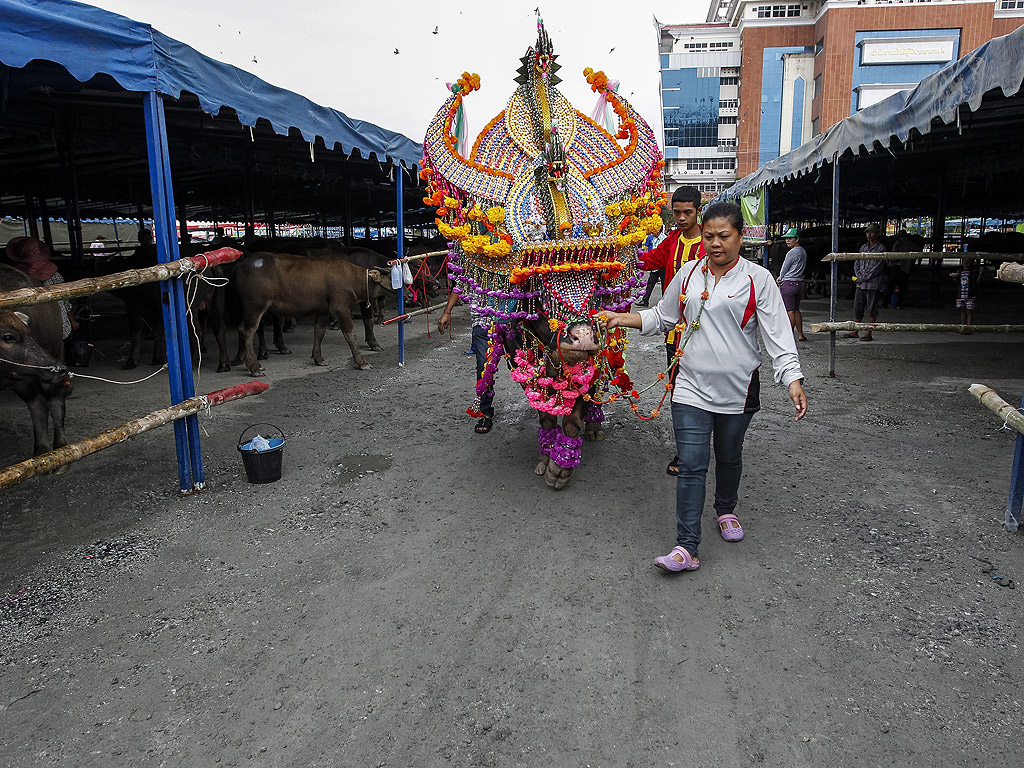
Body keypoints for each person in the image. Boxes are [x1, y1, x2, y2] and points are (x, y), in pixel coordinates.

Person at [602, 202, 807, 573]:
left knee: (728, 456)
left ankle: (726, 509)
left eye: (723, 236)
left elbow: (778, 336)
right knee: (692, 465)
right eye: (709, 236)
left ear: (741, 237)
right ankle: (686, 547)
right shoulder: (688, 274)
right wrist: (621, 317)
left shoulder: (758, 280)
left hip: (738, 389)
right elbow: (662, 317)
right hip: (690, 387)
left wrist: (791, 378)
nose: (715, 243)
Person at [635, 185, 705, 476]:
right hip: (674, 334)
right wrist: (621, 253)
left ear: (698, 211)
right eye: (676, 213)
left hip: (706, 335)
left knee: (704, 392)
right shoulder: (672, 241)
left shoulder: (711, 242)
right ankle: (686, 450)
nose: (681, 218)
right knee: (679, 392)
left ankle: (702, 444)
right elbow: (648, 261)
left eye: (687, 212)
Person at [439, 290, 496, 434]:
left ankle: (541, 407)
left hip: (510, 320)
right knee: (483, 368)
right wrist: (447, 312)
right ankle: (485, 413)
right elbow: (458, 286)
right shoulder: (472, 267)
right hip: (482, 323)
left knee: (524, 364)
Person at [5, 236, 74, 340]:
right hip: (61, 329)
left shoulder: (15, 280)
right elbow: (65, 302)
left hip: (36, 334)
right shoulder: (55, 276)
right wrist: (72, 320)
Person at [844, 223, 886, 341]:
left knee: (872, 307)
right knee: (858, 306)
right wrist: (858, 276)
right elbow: (857, 262)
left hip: (872, 284)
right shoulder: (863, 248)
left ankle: (869, 332)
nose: (869, 234)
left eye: (871, 232)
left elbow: (877, 268)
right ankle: (856, 330)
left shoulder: (880, 249)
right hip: (860, 283)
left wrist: (864, 277)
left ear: (877, 234)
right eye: (867, 232)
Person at [777, 227, 808, 342]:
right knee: (796, 309)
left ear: (797, 239)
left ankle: (789, 336)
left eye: (790, 238)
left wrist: (780, 278)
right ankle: (800, 334)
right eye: (786, 239)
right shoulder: (802, 251)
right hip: (799, 283)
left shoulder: (792, 252)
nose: (787, 241)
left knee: (789, 311)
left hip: (789, 283)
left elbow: (784, 269)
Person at [952, 258, 981, 327]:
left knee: (969, 310)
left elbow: (976, 282)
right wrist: (954, 278)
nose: (965, 262)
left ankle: (968, 326)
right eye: (964, 261)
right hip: (961, 294)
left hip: (970, 294)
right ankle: (963, 325)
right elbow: (958, 282)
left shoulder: (972, 272)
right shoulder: (960, 272)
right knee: (962, 310)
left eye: (967, 261)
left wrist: (980, 273)